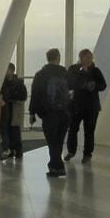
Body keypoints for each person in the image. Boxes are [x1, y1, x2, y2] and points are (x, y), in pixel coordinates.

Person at [29, 48, 71, 177]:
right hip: (64, 112)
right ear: (58, 57)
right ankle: (56, 166)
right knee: (58, 140)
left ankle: (57, 167)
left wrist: (32, 112)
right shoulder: (65, 73)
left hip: (48, 113)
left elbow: (35, 94)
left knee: (51, 141)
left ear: (47, 58)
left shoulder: (41, 74)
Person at [65, 48, 108, 164]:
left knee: (89, 131)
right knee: (73, 128)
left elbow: (103, 85)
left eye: (90, 57)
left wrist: (93, 86)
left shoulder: (96, 71)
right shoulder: (74, 69)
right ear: (81, 58)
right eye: (87, 57)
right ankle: (71, 151)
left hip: (91, 106)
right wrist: (82, 85)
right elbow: (68, 84)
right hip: (77, 105)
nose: (89, 60)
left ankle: (87, 154)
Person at [0, 63, 27, 159]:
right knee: (8, 129)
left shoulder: (16, 83)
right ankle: (12, 150)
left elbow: (23, 96)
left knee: (14, 130)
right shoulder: (8, 82)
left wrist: (11, 99)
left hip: (13, 108)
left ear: (11, 70)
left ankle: (17, 150)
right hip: (8, 107)